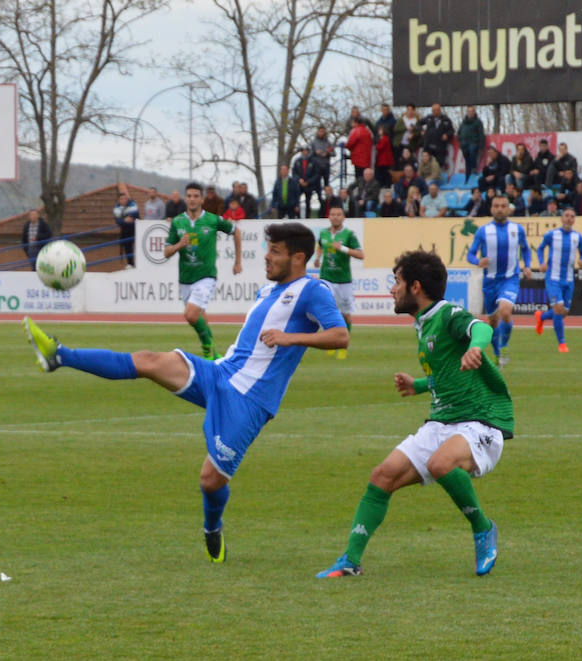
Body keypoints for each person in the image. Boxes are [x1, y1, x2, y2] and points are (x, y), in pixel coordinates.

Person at [22, 222, 349, 563]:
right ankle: (59, 356)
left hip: (249, 401)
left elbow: (340, 335)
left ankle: (212, 528)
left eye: (275, 252)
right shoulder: (267, 292)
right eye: (268, 249)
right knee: (149, 361)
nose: (266, 257)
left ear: (299, 258)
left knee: (210, 481)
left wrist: (290, 338)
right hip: (220, 372)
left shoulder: (314, 290)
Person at [316, 249, 511, 579]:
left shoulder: (447, 313)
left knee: (440, 463)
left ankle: (483, 527)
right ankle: (350, 560)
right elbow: (448, 373)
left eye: (397, 282)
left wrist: (477, 346)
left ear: (416, 287)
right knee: (382, 476)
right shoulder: (425, 323)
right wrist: (418, 385)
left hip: (480, 423)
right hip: (441, 422)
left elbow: (480, 327)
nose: (392, 289)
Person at [164, 182, 242, 359]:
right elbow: (166, 252)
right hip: (185, 278)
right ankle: (214, 354)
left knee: (190, 315)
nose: (192, 199)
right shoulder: (177, 222)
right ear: (185, 198)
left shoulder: (212, 220)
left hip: (206, 276)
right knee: (199, 317)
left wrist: (238, 262)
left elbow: (237, 232)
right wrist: (179, 245)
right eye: (189, 196)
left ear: (201, 199)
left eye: (195, 196)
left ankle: (207, 349)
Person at [467, 194, 532, 368]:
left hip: (510, 278)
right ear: (491, 209)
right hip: (489, 282)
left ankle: (504, 347)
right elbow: (470, 254)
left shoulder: (517, 229)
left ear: (509, 208)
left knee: (505, 311)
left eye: (503, 206)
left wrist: (527, 265)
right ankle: (497, 355)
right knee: (493, 322)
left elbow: (526, 250)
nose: (500, 209)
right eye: (496, 206)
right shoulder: (483, 231)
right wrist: (478, 261)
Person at [314, 206, 364, 359]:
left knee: (345, 315)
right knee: (327, 312)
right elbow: (320, 246)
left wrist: (342, 248)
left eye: (338, 214)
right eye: (333, 214)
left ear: (343, 217)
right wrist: (317, 258)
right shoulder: (323, 233)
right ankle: (330, 342)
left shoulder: (349, 235)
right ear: (329, 217)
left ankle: (343, 345)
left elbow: (361, 255)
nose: (335, 217)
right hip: (326, 278)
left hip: (343, 280)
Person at [535, 209, 582, 354]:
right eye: (567, 216)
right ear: (562, 218)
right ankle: (562, 343)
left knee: (563, 312)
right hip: (553, 279)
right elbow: (540, 249)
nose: (569, 219)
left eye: (572, 216)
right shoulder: (552, 235)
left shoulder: (578, 237)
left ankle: (541, 316)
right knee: (558, 308)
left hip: (569, 280)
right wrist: (541, 262)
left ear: (574, 220)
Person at [419, 103, 455, 168]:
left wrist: (447, 135)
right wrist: (421, 130)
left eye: (436, 110)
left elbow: (451, 130)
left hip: (440, 146)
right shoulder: (428, 118)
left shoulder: (446, 119)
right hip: (428, 145)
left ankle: (436, 177)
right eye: (433, 110)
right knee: (426, 164)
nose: (435, 112)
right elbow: (418, 123)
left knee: (439, 164)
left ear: (439, 110)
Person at [292, 147, 322, 219]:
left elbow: (317, 174)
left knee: (308, 202)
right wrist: (299, 180)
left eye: (306, 151)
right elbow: (294, 173)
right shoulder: (297, 161)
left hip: (309, 185)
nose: (305, 153)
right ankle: (298, 217)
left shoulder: (314, 161)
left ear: (308, 152)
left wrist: (308, 182)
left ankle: (307, 217)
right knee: (296, 201)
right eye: (303, 151)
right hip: (299, 185)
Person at [458, 105, 485, 179]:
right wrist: (460, 140)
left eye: (471, 111)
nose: (470, 113)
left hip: (474, 142)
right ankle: (468, 175)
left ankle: (474, 169)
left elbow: (481, 134)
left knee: (472, 151)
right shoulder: (463, 122)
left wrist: (481, 145)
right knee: (467, 160)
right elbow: (459, 132)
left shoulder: (478, 122)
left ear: (474, 112)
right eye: (468, 111)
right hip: (464, 144)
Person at [113, 191, 139, 267]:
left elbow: (136, 215)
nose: (124, 200)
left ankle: (140, 263)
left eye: (125, 198)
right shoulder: (116, 208)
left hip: (136, 229)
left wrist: (127, 218)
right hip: (125, 230)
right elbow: (117, 221)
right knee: (127, 247)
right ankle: (130, 264)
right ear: (119, 200)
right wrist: (124, 220)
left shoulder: (133, 204)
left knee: (139, 246)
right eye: (122, 199)